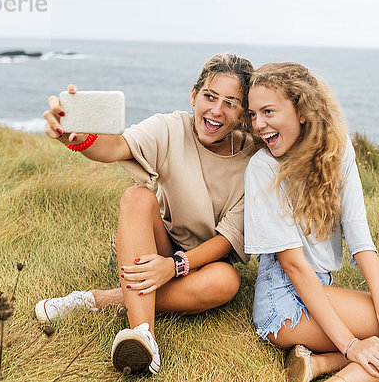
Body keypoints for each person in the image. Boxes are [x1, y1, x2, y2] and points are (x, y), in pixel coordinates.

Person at [37, 54, 256, 375]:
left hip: (208, 260)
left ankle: (100, 299)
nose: (216, 111)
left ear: (241, 114)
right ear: (194, 95)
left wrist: (174, 266)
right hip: (163, 242)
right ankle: (143, 335)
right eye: (209, 96)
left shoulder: (252, 159)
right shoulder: (170, 127)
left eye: (231, 103)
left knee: (227, 282)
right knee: (137, 197)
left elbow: (227, 241)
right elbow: (115, 148)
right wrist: (80, 139)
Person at [244, 62, 379, 382]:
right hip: (284, 307)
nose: (258, 124)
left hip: (318, 291)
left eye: (268, 111)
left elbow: (360, 237)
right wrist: (350, 345)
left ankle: (321, 364)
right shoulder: (262, 167)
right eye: (252, 114)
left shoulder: (337, 149)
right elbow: (293, 266)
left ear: (301, 110)